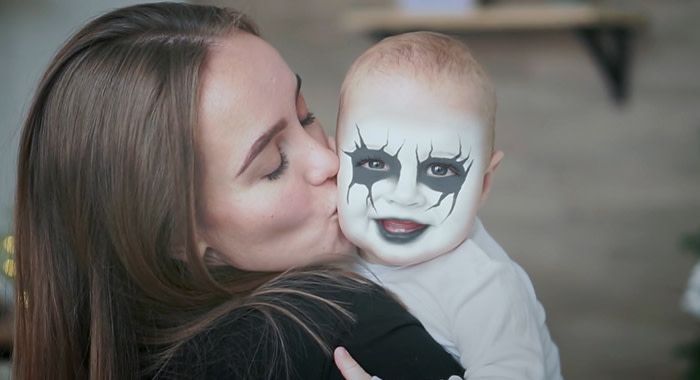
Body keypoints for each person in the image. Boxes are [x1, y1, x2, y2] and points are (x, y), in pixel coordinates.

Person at [12, 4, 464, 379]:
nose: (330, 161)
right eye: (273, 165)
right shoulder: (332, 323)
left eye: (305, 116)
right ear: (176, 238)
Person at [335, 32, 563, 379]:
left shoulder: (485, 287)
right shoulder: (329, 243)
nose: (405, 194)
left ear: (484, 183)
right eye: (375, 164)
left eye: (440, 170)